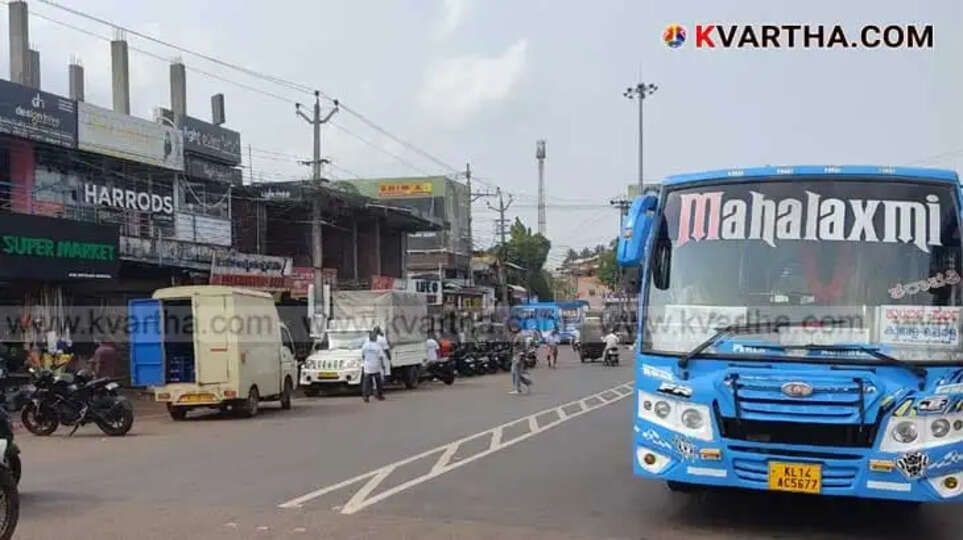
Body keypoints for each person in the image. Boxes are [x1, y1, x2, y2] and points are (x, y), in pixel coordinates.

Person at [361, 330, 386, 402]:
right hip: (376, 366)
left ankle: (366, 396)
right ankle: (379, 395)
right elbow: (381, 357)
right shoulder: (377, 346)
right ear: (375, 338)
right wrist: (383, 365)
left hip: (367, 366)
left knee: (366, 383)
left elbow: (362, 355)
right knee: (378, 382)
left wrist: (366, 361)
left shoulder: (365, 345)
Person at [509, 330, 533, 395]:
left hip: (518, 357)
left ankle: (518, 389)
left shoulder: (519, 336)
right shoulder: (519, 336)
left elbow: (519, 345)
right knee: (514, 372)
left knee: (516, 373)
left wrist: (523, 353)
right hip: (516, 356)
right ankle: (527, 383)